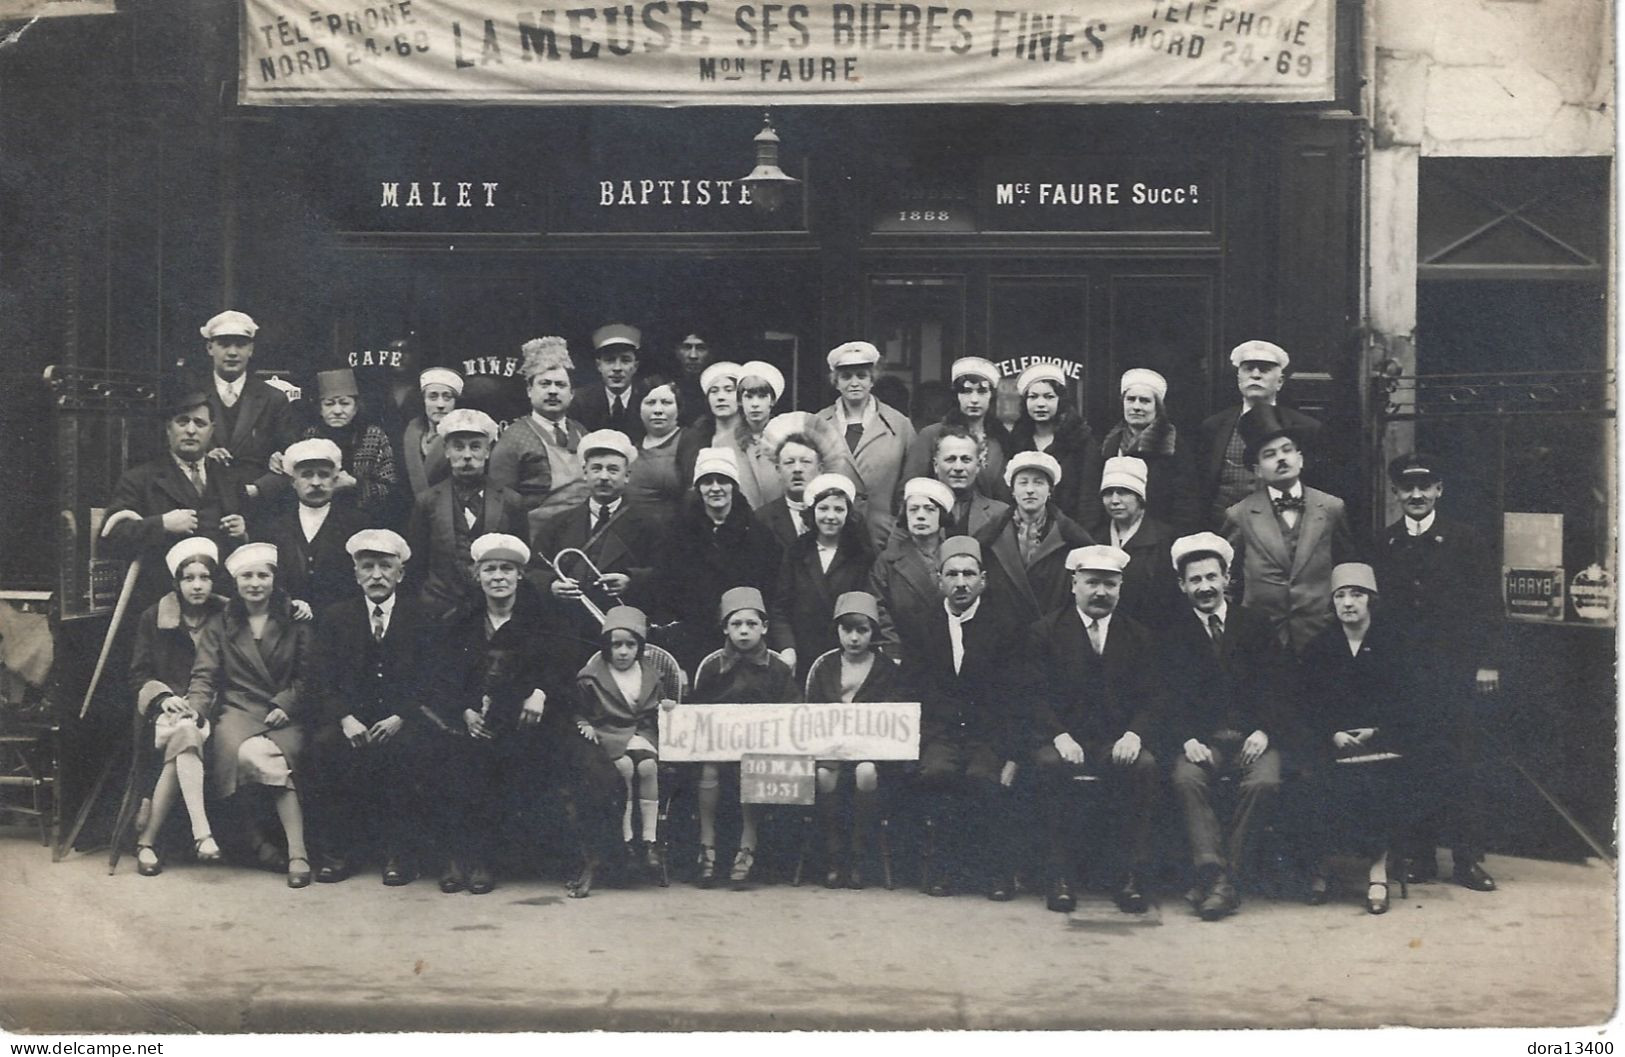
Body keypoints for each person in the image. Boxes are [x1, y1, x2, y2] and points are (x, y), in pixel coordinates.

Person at [425, 533, 620, 897]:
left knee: (579, 765)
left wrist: (540, 693)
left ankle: (513, 860)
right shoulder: (461, 622)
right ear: (478, 576)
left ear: (519, 577)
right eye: (490, 570)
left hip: (533, 720)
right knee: (455, 761)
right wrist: (465, 710)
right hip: (476, 720)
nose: (498, 577)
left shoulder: (544, 619)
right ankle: (463, 858)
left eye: (506, 570)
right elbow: (445, 676)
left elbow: (563, 665)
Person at [1376, 453, 1499, 892]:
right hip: (1405, 679)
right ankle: (1421, 857)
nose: (1415, 495)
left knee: (1462, 766)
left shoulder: (1465, 540)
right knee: (1414, 766)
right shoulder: (1385, 543)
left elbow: (1488, 604)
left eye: (1424, 487)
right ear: (1396, 493)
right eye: (1407, 488)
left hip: (1456, 675)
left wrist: (1487, 661)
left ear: (1439, 491)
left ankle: (1467, 862)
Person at [1023, 545, 1163, 915]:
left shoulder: (1140, 635)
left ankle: (1128, 876)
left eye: (1110, 584)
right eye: (1092, 583)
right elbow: (1032, 696)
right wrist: (1059, 735)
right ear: (1074, 584)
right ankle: (1058, 877)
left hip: (1116, 739)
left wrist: (1135, 735)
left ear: (1120, 587)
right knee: (1049, 767)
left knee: (1144, 768)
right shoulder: (1045, 632)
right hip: (1063, 737)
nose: (1101, 592)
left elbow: (1153, 698)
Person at [1162, 532, 1290, 921]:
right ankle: (1222, 878)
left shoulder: (1256, 624)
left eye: (1211, 577)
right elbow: (1163, 695)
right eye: (1195, 580)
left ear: (1227, 579)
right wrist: (1186, 739)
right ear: (1182, 585)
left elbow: (1280, 685)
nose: (1205, 587)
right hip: (1203, 740)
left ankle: (1216, 879)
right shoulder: (1170, 633)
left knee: (1264, 783)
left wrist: (1265, 731)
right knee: (1187, 780)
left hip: (1253, 738)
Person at [184, 543, 316, 888]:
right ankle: (264, 843)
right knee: (244, 753)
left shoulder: (295, 619)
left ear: (274, 579)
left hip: (283, 712)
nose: (254, 583)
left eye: (262, 575)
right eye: (246, 576)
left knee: (276, 757)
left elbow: (309, 675)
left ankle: (295, 850)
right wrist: (195, 710)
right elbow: (204, 675)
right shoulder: (220, 624)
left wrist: (285, 704)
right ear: (236, 582)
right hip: (239, 710)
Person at [307, 529, 433, 887]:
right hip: (352, 720)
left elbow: (433, 677)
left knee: (410, 753)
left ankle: (399, 854)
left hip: (401, 719)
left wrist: (400, 717)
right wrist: (345, 718)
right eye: (367, 567)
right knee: (325, 748)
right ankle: (338, 853)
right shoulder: (336, 617)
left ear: (400, 573)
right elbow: (321, 679)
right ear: (356, 574)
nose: (376, 575)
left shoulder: (421, 616)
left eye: (385, 566)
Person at [901, 536, 1024, 900]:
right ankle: (944, 867)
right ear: (939, 580)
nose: (961, 583)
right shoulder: (922, 624)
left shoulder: (1006, 624)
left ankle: (996, 872)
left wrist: (1013, 754)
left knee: (982, 778)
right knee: (937, 774)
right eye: (951, 574)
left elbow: (1018, 696)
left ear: (983, 579)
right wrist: (922, 743)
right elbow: (911, 689)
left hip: (989, 735)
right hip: (940, 733)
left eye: (969, 573)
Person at [1299, 563, 1425, 915]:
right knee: (1314, 779)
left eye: (1357, 595)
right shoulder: (1318, 647)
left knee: (1379, 780)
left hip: (1382, 743)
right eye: (1340, 596)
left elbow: (1411, 701)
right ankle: (1320, 866)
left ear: (1371, 600)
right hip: (1332, 743)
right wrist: (1333, 733)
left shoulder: (1395, 644)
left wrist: (1376, 731)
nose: (1348, 603)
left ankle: (1377, 870)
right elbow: (1304, 703)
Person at [688, 586, 801, 887]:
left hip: (761, 751)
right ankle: (707, 845)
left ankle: (747, 847)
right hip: (718, 749)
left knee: (752, 770)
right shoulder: (713, 667)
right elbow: (695, 711)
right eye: (736, 624)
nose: (744, 631)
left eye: (752, 624)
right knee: (709, 768)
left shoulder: (777, 668)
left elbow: (793, 710)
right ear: (725, 627)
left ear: (764, 627)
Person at [1221, 404, 1357, 654]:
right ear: (1257, 469)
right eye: (1269, 454)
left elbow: (1346, 568)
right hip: (1261, 641)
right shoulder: (1239, 515)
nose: (1281, 458)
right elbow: (1229, 581)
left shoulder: (1331, 508)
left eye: (1287, 450)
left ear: (1301, 459)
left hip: (1321, 634)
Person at [127, 537, 227, 877]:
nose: (197, 585)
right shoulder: (154, 617)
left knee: (186, 735)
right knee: (184, 733)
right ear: (177, 582)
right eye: (189, 578)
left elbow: (269, 610)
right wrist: (163, 697)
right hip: (165, 711)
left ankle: (147, 843)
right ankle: (203, 834)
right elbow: (138, 674)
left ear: (214, 582)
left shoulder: (228, 613)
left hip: (214, 708)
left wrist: (297, 605)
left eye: (204, 577)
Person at [103, 390, 250, 615]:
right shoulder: (140, 479)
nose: (191, 430)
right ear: (168, 428)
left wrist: (243, 534)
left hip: (221, 606)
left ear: (211, 430)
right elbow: (112, 538)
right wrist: (161, 524)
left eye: (200, 423)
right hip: (161, 605)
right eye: (183, 422)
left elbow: (254, 547)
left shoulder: (229, 478)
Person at [528, 429, 663, 668]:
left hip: (621, 638)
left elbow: (667, 574)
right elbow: (533, 571)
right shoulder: (558, 524)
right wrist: (552, 585)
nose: (603, 476)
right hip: (568, 633)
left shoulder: (650, 525)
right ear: (584, 473)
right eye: (596, 468)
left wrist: (631, 580)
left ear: (627, 475)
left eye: (613, 469)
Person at [574, 605, 681, 885]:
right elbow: (579, 708)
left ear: (639, 647)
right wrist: (584, 723)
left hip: (641, 732)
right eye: (616, 645)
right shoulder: (592, 676)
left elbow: (654, 707)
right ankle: (626, 838)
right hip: (608, 731)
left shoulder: (649, 674)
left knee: (647, 767)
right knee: (623, 768)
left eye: (630, 645)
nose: (623, 652)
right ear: (606, 647)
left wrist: (667, 705)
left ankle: (649, 839)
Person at [803, 591, 902, 889]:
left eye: (862, 630)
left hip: (869, 752)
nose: (854, 638)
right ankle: (834, 856)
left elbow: (892, 718)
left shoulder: (886, 670)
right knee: (823, 774)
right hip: (831, 749)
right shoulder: (825, 667)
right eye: (847, 630)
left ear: (873, 632)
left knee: (865, 772)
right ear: (838, 631)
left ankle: (858, 856)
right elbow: (812, 711)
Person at [655, 447, 781, 674]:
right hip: (694, 640)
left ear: (734, 485)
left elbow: (770, 592)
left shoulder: (759, 535)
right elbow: (666, 589)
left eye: (722, 480)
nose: (715, 488)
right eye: (707, 482)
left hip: (744, 641)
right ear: (698, 488)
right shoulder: (677, 533)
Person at [405, 408, 528, 622]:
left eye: (475, 447)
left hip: (492, 611)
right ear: (446, 450)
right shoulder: (427, 501)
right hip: (438, 608)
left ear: (488, 451)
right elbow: (417, 564)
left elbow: (522, 564)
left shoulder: (511, 501)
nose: (467, 455)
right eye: (458, 447)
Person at [1200, 340, 1324, 527]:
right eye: (1249, 369)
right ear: (1238, 379)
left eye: (1264, 370)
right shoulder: (1213, 426)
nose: (1255, 375)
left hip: (1283, 528)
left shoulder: (1307, 427)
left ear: (1280, 382)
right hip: (1225, 527)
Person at [768, 473, 875, 682]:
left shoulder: (861, 555)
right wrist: (787, 647)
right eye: (823, 508)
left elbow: (868, 609)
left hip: (846, 654)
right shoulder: (796, 552)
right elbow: (780, 608)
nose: (831, 516)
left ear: (848, 514)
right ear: (812, 512)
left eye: (839, 509)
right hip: (802, 654)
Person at [814, 341, 916, 547]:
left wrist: (896, 525)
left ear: (872, 380)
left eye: (861, 375)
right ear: (835, 381)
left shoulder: (899, 424)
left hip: (883, 536)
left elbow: (912, 481)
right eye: (846, 376)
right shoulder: (817, 424)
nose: (854, 383)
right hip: (833, 533)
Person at [196, 311, 299, 509]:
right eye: (224, 344)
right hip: (202, 501)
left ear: (251, 349)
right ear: (210, 348)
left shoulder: (273, 399)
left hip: (256, 506)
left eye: (241, 345)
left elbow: (289, 459)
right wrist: (203, 455)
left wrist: (259, 489)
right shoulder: (192, 395)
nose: (233, 352)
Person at [983, 450, 1095, 626]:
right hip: (1003, 630)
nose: (1030, 490)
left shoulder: (1071, 538)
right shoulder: (990, 536)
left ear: (1050, 490)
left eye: (1038, 483)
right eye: (1023, 483)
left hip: (1052, 629)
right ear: (1012, 491)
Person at [258, 438, 368, 614]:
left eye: (323, 474)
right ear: (293, 482)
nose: (316, 482)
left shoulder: (356, 525)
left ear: (335, 480)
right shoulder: (274, 527)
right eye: (307, 474)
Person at [488, 336, 590, 519]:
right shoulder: (512, 439)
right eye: (545, 384)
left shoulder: (582, 433)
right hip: (535, 535)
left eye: (560, 385)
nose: (553, 391)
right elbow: (499, 499)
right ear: (529, 391)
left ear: (572, 394)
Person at [1099, 368, 1200, 534]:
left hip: (1159, 535)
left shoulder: (1172, 445)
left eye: (1145, 401)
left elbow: (1186, 504)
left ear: (1157, 407)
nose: (1136, 407)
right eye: (1131, 399)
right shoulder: (1109, 444)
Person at [900, 357, 1012, 504]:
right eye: (966, 392)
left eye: (982, 391)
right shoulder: (932, 435)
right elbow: (909, 490)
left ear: (992, 396)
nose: (974, 399)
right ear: (956, 396)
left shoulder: (1002, 440)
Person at [294, 368, 399, 522]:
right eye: (329, 404)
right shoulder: (309, 437)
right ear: (320, 409)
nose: (337, 410)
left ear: (356, 407)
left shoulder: (374, 436)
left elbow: (390, 488)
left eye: (345, 403)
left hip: (366, 517)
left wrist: (357, 484)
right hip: (317, 517)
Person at [1007, 363, 1104, 530]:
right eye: (1033, 397)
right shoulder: (1017, 440)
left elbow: (1089, 502)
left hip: (1069, 533)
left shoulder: (1081, 441)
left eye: (1049, 396)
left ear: (1061, 400)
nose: (1041, 404)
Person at [869, 477, 954, 663]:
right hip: (906, 659)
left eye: (929, 509)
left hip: (953, 655)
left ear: (942, 516)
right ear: (905, 516)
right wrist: (892, 650)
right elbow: (878, 608)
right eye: (913, 509)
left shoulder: (956, 557)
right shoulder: (888, 561)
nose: (921, 516)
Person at [885, 425, 1011, 549]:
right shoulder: (915, 512)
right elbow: (894, 560)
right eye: (950, 459)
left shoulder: (999, 514)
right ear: (935, 465)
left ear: (978, 466)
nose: (958, 468)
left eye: (966, 460)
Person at [1098, 456, 1181, 628]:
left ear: (1140, 497)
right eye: (1108, 492)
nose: (1114, 500)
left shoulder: (1164, 539)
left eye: (1123, 492)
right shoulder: (1096, 539)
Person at [753, 414, 853, 552]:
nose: (797, 469)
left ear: (820, 468)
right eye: (789, 462)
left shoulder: (843, 517)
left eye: (806, 462)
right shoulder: (762, 519)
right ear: (778, 469)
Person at [623, 373, 689, 521]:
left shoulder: (688, 441)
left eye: (666, 402)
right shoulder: (631, 447)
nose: (658, 410)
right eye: (650, 402)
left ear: (679, 407)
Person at [572, 324, 647, 442]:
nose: (617, 368)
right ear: (599, 366)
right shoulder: (580, 401)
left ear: (635, 366)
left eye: (625, 360)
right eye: (609, 360)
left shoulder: (648, 399)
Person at [675, 360, 743, 485]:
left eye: (728, 390)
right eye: (714, 391)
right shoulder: (694, 438)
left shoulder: (753, 436)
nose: (720, 397)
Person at [733, 360, 789, 510]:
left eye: (762, 396)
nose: (755, 404)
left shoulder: (786, 439)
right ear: (740, 401)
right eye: (749, 397)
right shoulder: (728, 442)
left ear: (772, 400)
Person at [399, 367, 459, 505]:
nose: (440, 405)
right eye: (433, 397)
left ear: (455, 403)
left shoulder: (462, 436)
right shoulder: (410, 433)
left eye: (447, 397)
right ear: (423, 401)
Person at [671, 330, 716, 428]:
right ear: (676, 351)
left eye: (701, 348)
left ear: (710, 353)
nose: (693, 355)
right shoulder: (662, 385)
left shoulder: (719, 388)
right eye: (687, 347)